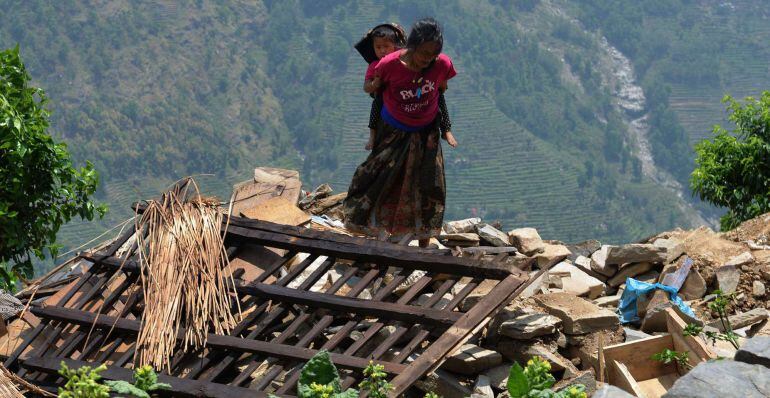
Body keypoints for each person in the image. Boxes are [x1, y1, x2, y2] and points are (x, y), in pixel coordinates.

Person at [344, 18, 457, 248]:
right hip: (393, 132)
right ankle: (373, 229)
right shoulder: (388, 65)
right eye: (424, 53)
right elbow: (373, 90)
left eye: (433, 54)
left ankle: (423, 241)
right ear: (412, 46)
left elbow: (441, 90)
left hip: (427, 134)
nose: (428, 59)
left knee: (429, 185)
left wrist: (445, 128)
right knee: (378, 178)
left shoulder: (442, 64)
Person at [355, 23, 453, 151]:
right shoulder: (381, 65)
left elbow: (443, 87)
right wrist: (374, 84)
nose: (382, 51)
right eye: (378, 47)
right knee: (377, 103)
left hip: (427, 124)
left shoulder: (442, 63)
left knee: (440, 97)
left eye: (386, 46)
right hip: (391, 120)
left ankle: (446, 129)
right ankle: (372, 135)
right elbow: (367, 86)